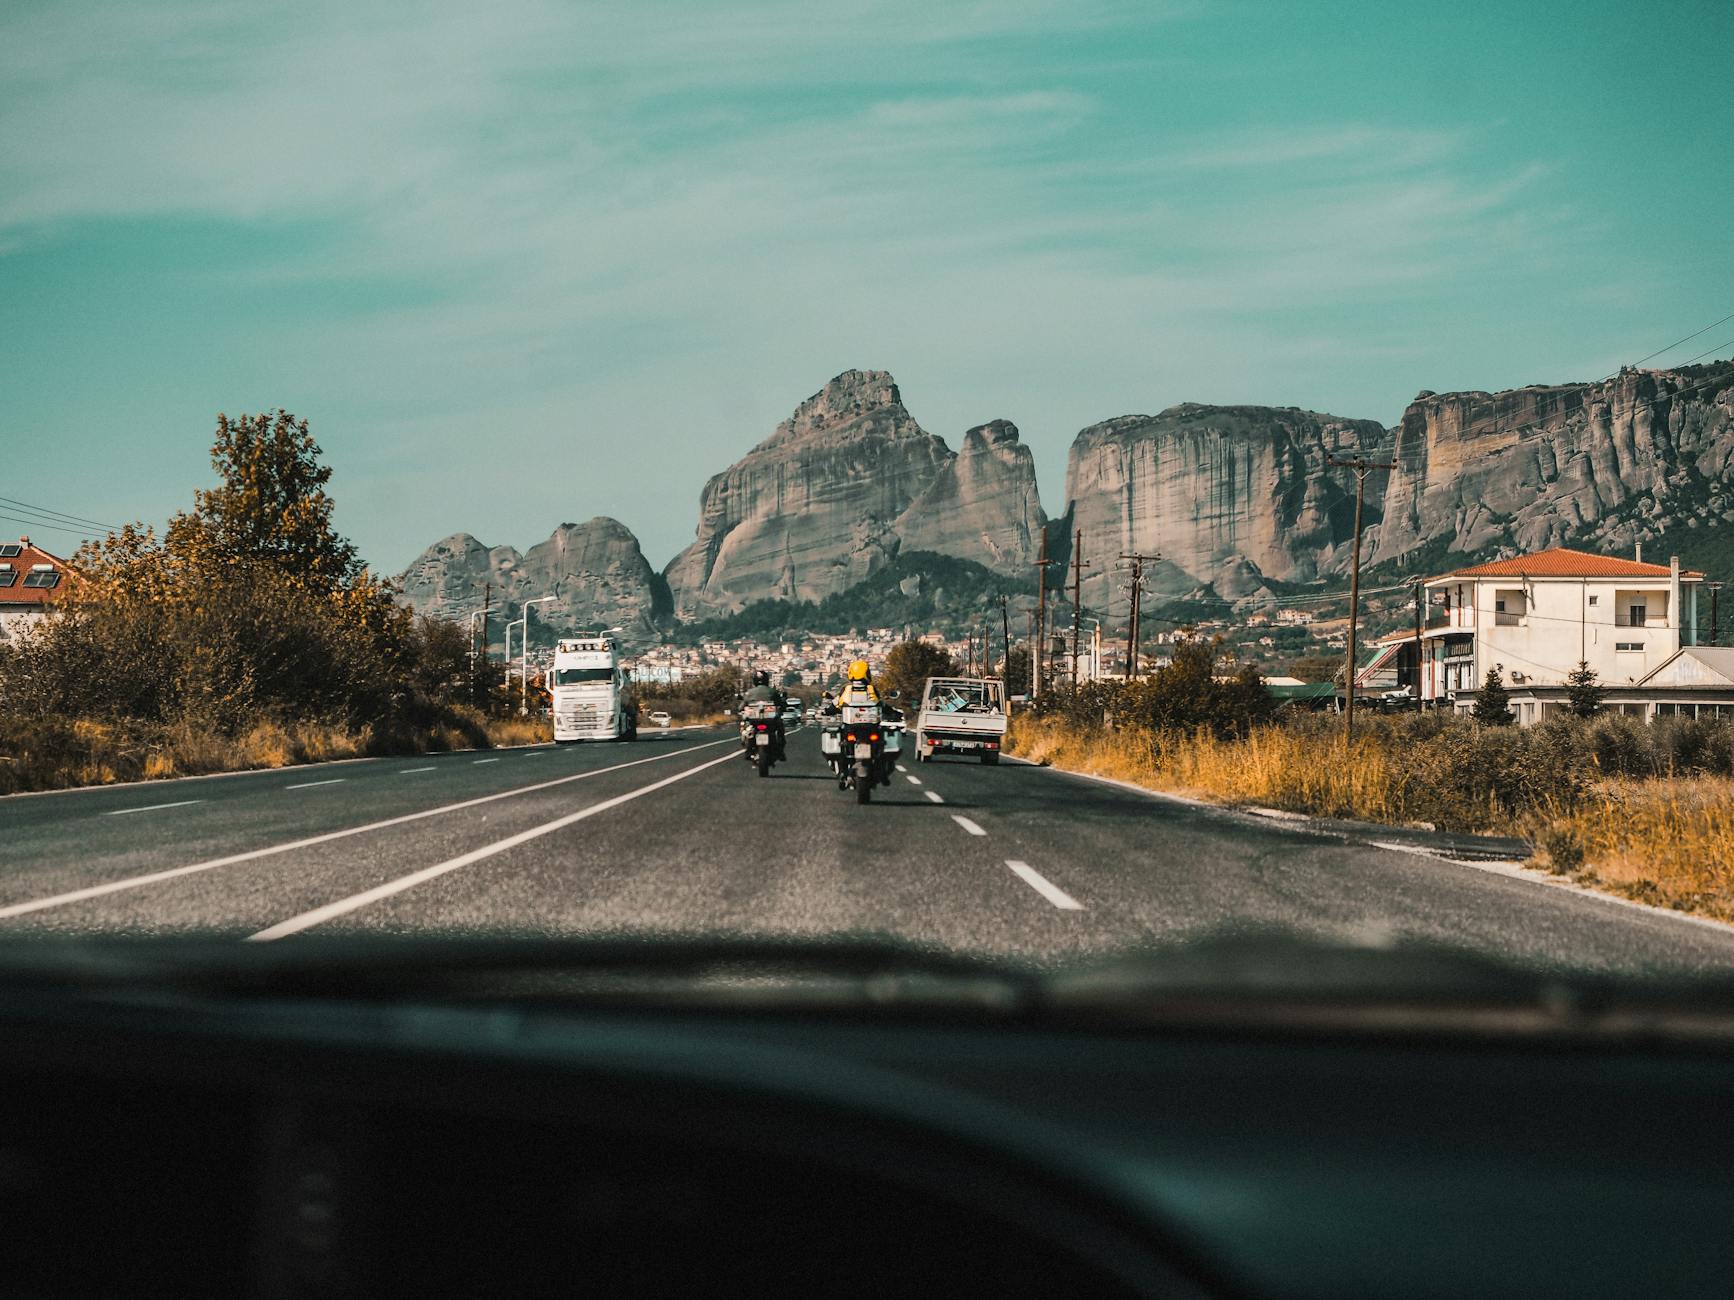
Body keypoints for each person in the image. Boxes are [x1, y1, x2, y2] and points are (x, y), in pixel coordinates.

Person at [740, 668, 787, 759]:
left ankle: (749, 750)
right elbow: (781, 704)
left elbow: (741, 706)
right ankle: (780, 752)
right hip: (770, 720)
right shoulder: (772, 692)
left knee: (747, 730)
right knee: (780, 730)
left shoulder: (750, 692)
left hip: (754, 720)